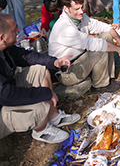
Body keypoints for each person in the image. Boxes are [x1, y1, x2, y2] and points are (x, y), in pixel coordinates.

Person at [0, 13, 80, 144]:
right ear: (2, 37)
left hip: (6, 93)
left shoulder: (6, 48)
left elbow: (26, 56)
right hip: (2, 109)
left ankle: (53, 116)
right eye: (13, 29)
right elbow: (7, 95)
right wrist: (46, 93)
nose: (18, 30)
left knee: (40, 70)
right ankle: (40, 130)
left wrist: (54, 62)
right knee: (40, 107)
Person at [48, 0, 120, 94]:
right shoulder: (64, 28)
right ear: (66, 8)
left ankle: (109, 77)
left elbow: (105, 27)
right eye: (77, 9)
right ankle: (100, 86)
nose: (81, 11)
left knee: (107, 36)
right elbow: (94, 44)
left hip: (80, 60)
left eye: (82, 7)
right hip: (68, 72)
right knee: (99, 49)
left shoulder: (80, 18)